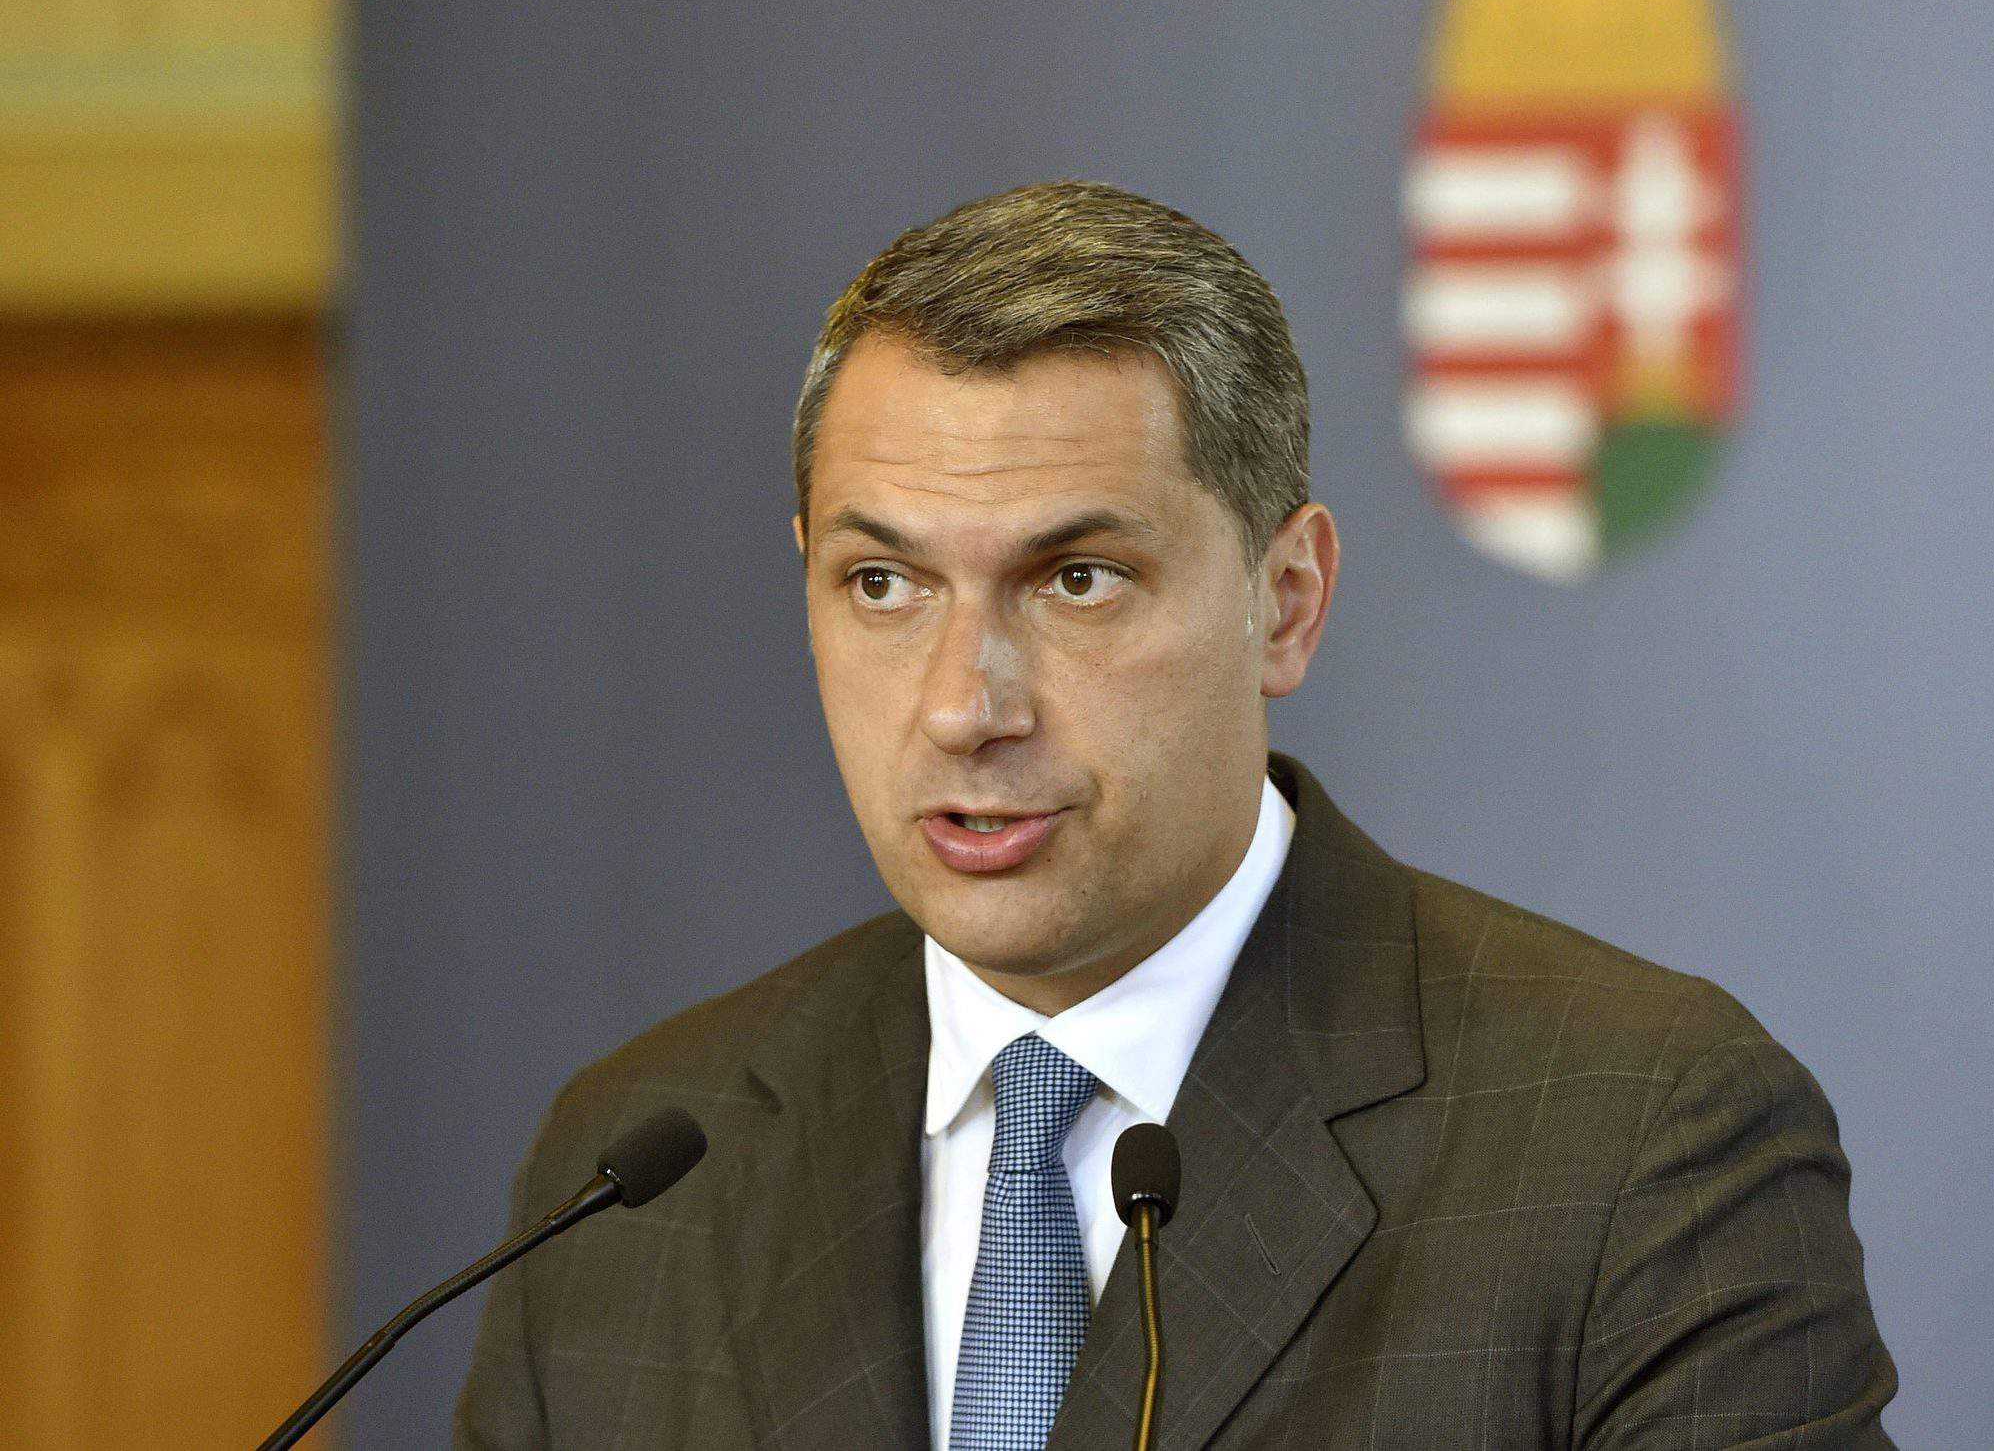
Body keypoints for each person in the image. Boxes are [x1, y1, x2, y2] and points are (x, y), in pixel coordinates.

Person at [454, 181, 1896, 1448]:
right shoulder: (636, 1168)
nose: (964, 706)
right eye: (883, 584)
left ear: (1288, 600)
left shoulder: (1636, 1142)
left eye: (1077, 579)